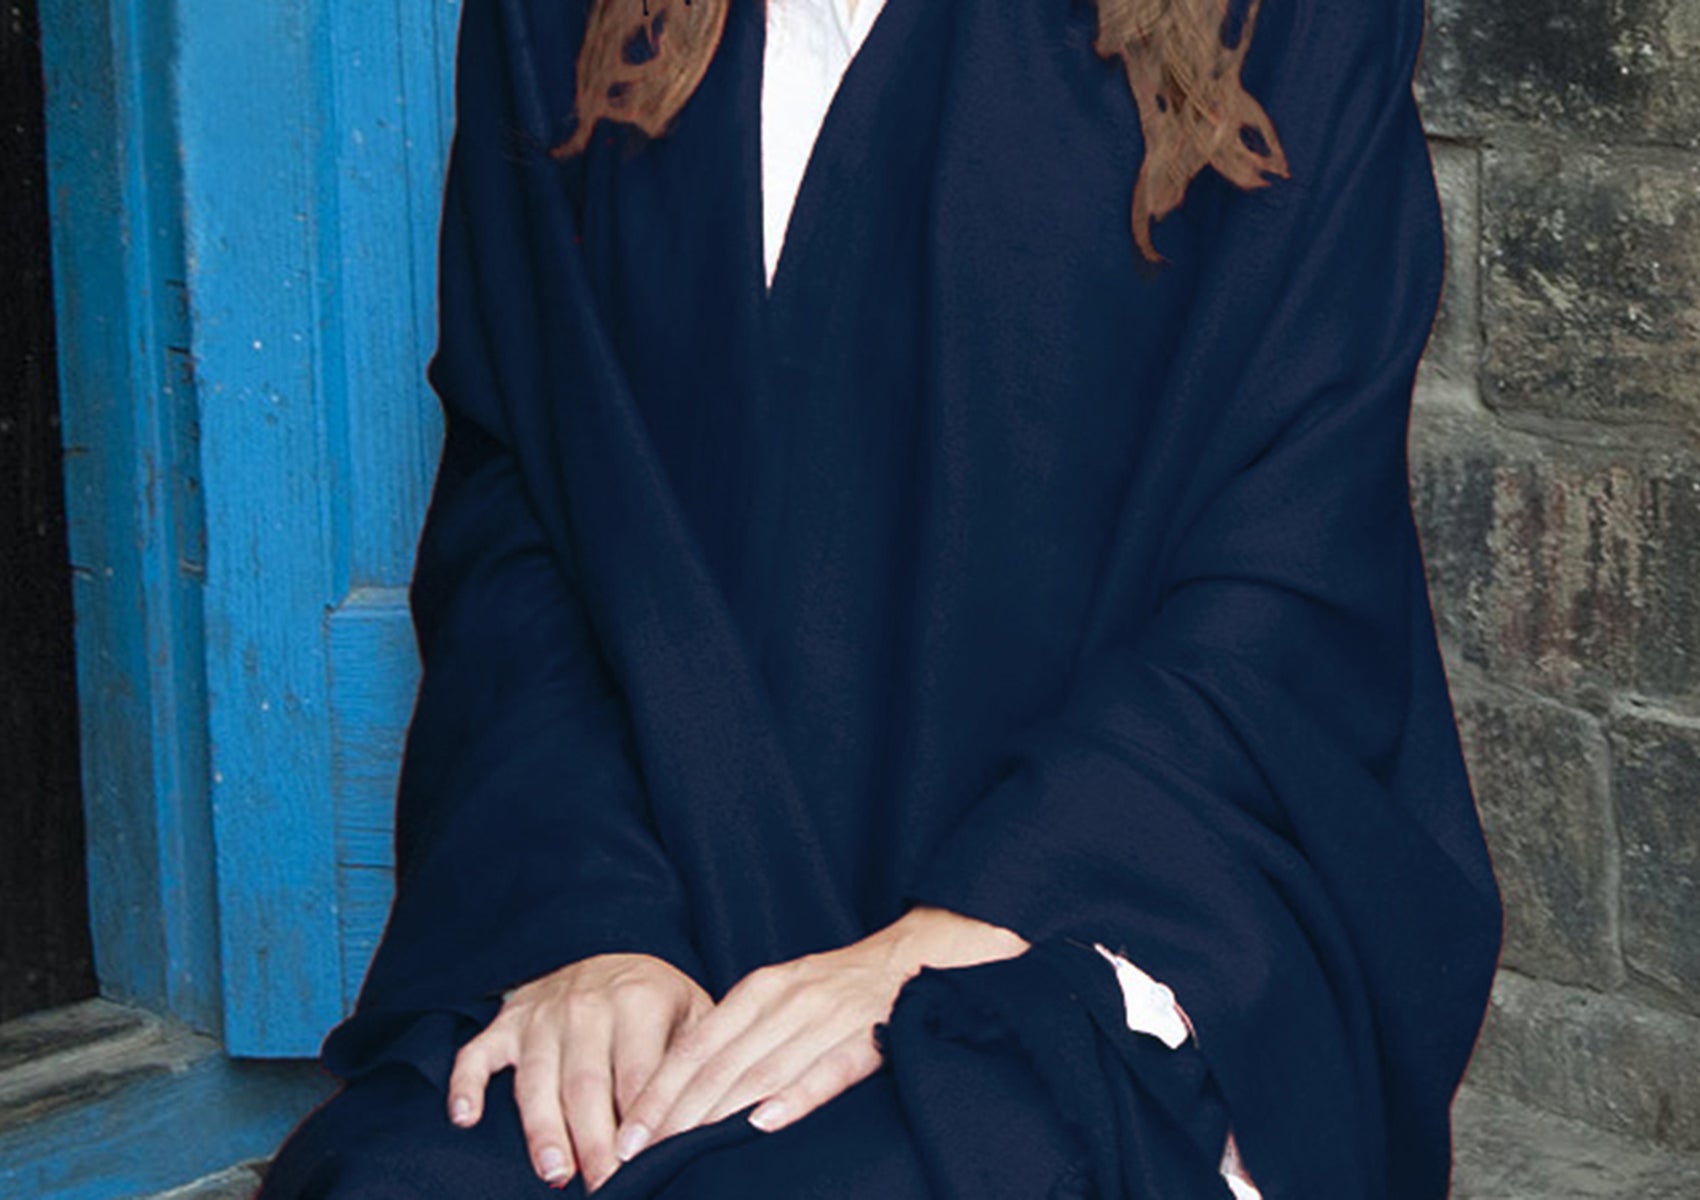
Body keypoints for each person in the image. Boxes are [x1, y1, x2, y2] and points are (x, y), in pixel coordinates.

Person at [257, 0, 1504, 1196]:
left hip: (1104, 885)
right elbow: (518, 496)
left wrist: (961, 930)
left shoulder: (1285, 16)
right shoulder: (565, 15)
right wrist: (591, 925)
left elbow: (1291, 542)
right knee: (409, 1176)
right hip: (659, 868)